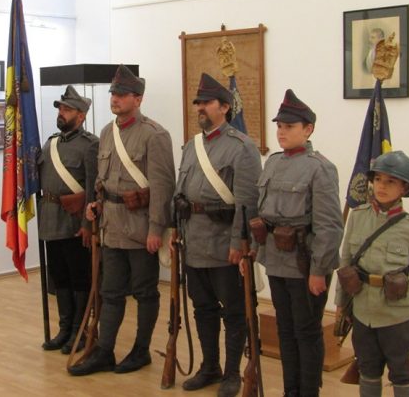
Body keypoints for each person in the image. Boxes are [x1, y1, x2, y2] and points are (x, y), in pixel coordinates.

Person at [69, 64, 176, 376]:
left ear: (138, 99)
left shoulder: (154, 135)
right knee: (111, 292)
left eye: (122, 94)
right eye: (113, 93)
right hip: (111, 226)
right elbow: (102, 180)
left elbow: (163, 187)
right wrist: (94, 205)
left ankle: (141, 350)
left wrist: (156, 229)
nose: (114, 98)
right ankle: (104, 352)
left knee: (144, 292)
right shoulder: (106, 133)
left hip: (141, 228)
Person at [173, 73, 262, 397]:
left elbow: (248, 203)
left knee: (234, 312)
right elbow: (180, 193)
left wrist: (240, 242)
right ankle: (210, 366)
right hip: (194, 241)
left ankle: (232, 373)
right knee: (202, 308)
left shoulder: (242, 147)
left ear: (225, 107)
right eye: (198, 102)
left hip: (225, 245)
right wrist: (175, 230)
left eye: (207, 102)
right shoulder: (191, 147)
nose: (200, 107)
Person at [251, 89, 343, 397]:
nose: (281, 132)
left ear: (308, 129)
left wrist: (319, 270)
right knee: (285, 331)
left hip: (305, 265)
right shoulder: (272, 163)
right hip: (277, 261)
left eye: (289, 126)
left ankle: (308, 392)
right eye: (279, 126)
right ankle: (291, 390)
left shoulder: (320, 168)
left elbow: (329, 226)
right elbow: (264, 215)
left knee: (307, 331)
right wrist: (255, 253)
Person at [335, 151, 409, 397]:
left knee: (401, 372)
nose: (381, 186)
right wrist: (340, 303)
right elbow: (345, 262)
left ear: (404, 188)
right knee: (368, 370)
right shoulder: (358, 217)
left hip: (398, 316)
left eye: (391, 181)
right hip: (363, 310)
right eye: (378, 179)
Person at [38, 85, 99, 354]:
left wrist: (87, 225)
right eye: (60, 109)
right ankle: (65, 329)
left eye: (67, 109)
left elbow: (93, 189)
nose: (61, 113)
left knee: (79, 278)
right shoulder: (50, 143)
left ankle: (80, 330)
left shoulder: (90, 145)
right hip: (51, 220)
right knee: (59, 277)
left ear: (81, 115)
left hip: (75, 223)